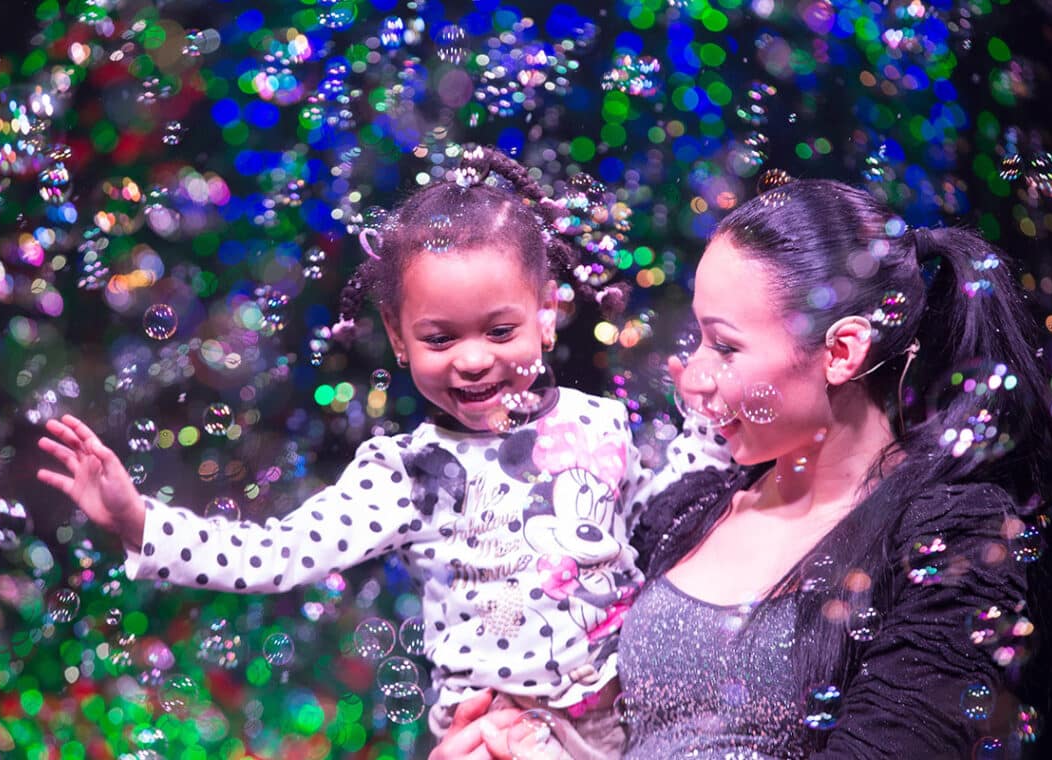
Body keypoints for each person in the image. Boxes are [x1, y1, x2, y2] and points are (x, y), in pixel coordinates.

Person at [36, 145, 730, 759]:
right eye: (438, 338)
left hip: (630, 715)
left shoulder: (599, 423)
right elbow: (276, 554)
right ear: (397, 340)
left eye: (499, 330)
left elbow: (651, 524)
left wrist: (708, 430)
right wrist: (137, 520)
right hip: (505, 736)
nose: (473, 360)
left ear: (545, 315)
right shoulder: (408, 475)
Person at [431, 178, 1052, 758]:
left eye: (726, 345)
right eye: (699, 339)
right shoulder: (685, 510)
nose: (697, 378)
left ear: (842, 350)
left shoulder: (953, 536)